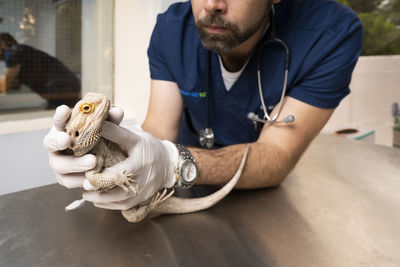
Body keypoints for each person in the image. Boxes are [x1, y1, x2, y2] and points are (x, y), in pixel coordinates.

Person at [43, 0, 363, 212]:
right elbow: (159, 129)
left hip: (268, 204)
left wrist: (171, 162)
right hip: (185, 194)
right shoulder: (172, 28)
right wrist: (113, 148)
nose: (212, 5)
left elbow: (277, 154)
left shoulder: (331, 33)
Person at [0, 33, 80, 108]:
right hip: (67, 84)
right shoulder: (21, 51)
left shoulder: (12, 52)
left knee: (58, 115)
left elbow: (8, 80)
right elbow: (14, 84)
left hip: (60, 87)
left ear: (3, 43)